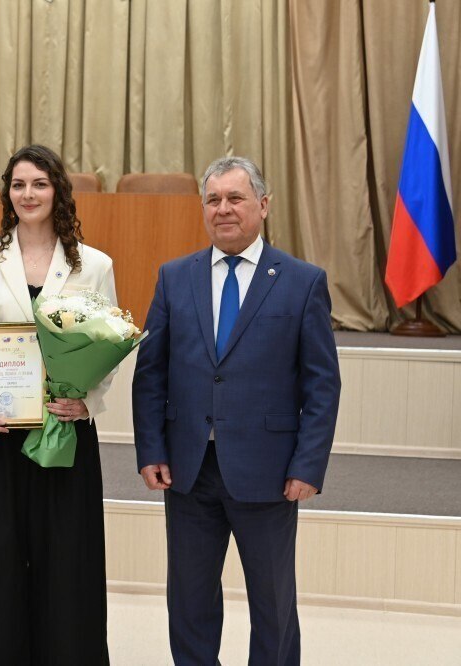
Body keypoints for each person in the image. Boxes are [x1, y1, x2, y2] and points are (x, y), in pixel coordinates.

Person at [132, 156, 341, 665]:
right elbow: (150, 373)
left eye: (236, 198)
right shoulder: (174, 277)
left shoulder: (302, 281)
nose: (223, 209)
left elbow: (321, 385)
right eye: (213, 199)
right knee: (188, 601)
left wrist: (307, 465)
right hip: (187, 469)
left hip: (268, 473)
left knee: (272, 604)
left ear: (263, 206)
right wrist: (151, 449)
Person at [0, 144, 114, 665]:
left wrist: (89, 402)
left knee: (65, 562)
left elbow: (108, 349)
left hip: (64, 433)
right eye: (18, 184)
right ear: (7, 193)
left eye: (38, 183)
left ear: (57, 189)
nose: (28, 193)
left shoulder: (94, 265)